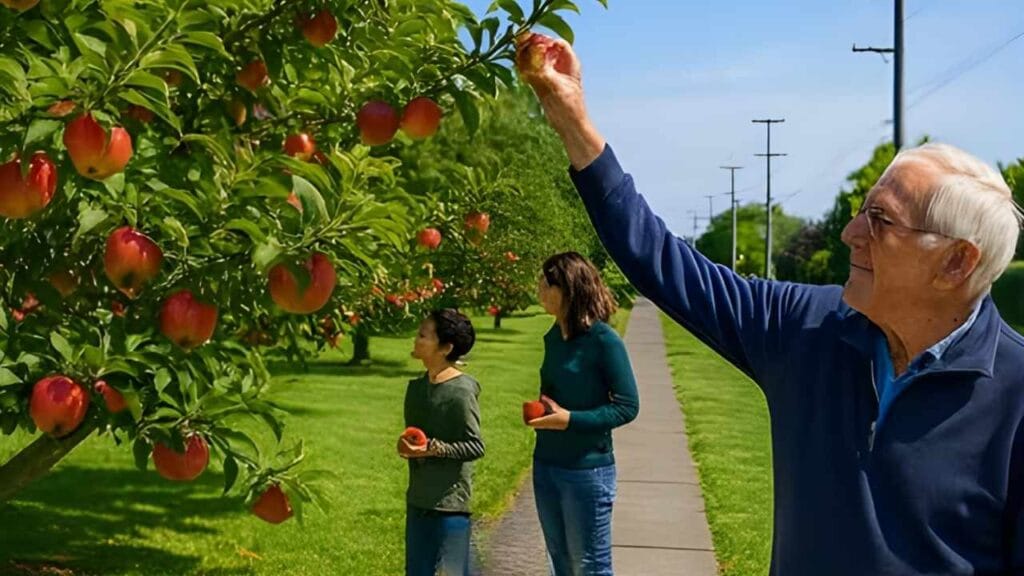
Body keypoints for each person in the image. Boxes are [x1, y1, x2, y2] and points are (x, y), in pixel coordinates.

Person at [516, 32, 1024, 575]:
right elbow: (660, 261)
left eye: (881, 221)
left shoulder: (1015, 400)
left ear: (955, 263)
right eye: (862, 211)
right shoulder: (807, 328)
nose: (850, 233)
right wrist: (570, 117)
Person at [526, 251, 640, 575]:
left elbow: (627, 405)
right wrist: (545, 410)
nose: (539, 289)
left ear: (569, 289)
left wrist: (570, 419)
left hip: (586, 472)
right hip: (546, 465)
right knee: (559, 563)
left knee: (590, 566)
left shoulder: (603, 340)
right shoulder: (553, 337)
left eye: (546, 283)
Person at [399, 309, 483, 576]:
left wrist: (435, 448)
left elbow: (475, 446)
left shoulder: (461, 391)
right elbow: (415, 441)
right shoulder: (416, 388)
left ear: (445, 348)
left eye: (423, 335)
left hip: (450, 509)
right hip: (418, 502)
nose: (416, 339)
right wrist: (408, 448)